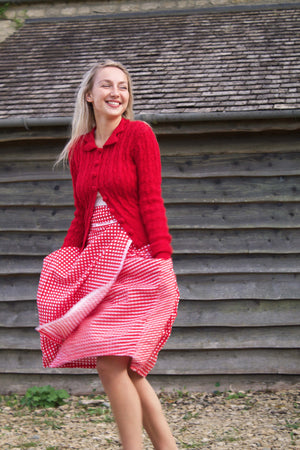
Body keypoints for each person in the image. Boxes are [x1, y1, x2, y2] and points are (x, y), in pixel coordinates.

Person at [36, 60, 179, 450]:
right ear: (89, 95)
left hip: (136, 259)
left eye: (123, 86)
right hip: (96, 264)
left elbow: (151, 199)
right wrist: (65, 257)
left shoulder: (138, 135)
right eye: (106, 85)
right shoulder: (79, 150)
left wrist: (162, 256)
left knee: (111, 363)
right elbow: (83, 214)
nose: (116, 92)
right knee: (124, 368)